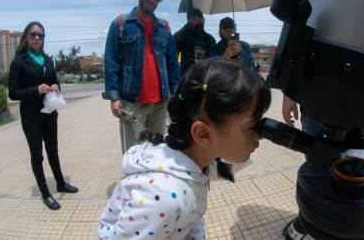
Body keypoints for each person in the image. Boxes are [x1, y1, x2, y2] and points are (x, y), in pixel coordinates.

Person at [96, 57, 271, 240]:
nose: (260, 135)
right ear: (204, 134)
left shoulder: (197, 163)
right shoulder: (163, 197)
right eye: (253, 127)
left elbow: (191, 217)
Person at [103, 0, 180, 155]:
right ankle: (133, 183)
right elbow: (111, 61)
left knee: (158, 152)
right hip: (132, 102)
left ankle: (153, 183)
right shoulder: (121, 24)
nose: (152, 0)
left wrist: (174, 93)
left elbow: (172, 62)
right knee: (134, 154)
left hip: (160, 102)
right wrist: (114, 98)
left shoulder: (164, 27)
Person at [9, 21, 78, 211]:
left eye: (40, 35)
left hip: (49, 113)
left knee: (53, 150)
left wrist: (56, 87)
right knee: (37, 155)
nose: (37, 38)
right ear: (26, 37)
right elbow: (13, 92)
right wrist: (35, 90)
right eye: (33, 34)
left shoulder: (48, 60)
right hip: (31, 115)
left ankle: (61, 183)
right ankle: (45, 193)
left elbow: (55, 81)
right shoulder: (18, 62)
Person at [173, 8, 216, 75]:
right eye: (193, 20)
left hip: (206, 76)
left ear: (204, 20)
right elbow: (172, 43)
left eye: (198, 19)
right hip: (188, 76)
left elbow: (214, 59)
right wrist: (188, 26)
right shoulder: (184, 38)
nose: (196, 22)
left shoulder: (210, 39)